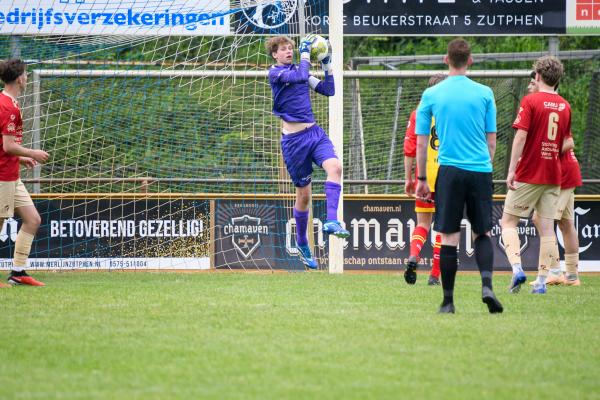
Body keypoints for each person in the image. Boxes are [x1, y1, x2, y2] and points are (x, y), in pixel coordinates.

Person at [415, 38, 502, 314]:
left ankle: (448, 301)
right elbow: (491, 141)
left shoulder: (431, 95)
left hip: (449, 172)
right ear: (470, 61)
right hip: (479, 170)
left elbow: (420, 142)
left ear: (446, 59)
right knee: (483, 232)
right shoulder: (486, 93)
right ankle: (487, 285)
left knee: (449, 236)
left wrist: (421, 180)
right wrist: (484, 166)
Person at [266, 35, 349, 269]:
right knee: (303, 196)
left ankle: (332, 221)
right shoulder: (276, 73)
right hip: (293, 142)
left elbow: (329, 89)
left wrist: (327, 64)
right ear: (274, 54)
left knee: (335, 167)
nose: (288, 51)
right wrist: (305, 54)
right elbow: (300, 75)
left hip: (314, 134)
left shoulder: (301, 72)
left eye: (291, 48)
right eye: (283, 49)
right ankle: (302, 243)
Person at [500, 56, 572, 295]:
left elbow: (520, 137)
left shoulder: (530, 100)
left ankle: (517, 269)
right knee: (548, 228)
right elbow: (565, 142)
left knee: (508, 221)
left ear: (538, 76)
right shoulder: (565, 105)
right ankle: (541, 281)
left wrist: (511, 170)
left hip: (529, 171)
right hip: (553, 174)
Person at [526, 73, 583, 287]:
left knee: (541, 220)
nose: (530, 86)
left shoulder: (555, 106)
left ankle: (555, 270)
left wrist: (545, 151)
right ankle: (572, 276)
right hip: (566, 171)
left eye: (533, 82)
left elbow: (570, 141)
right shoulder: (542, 106)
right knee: (566, 223)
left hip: (563, 172)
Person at [0, 58, 49, 286]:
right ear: (19, 78)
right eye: (26, 74)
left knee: (33, 219)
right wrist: (33, 152)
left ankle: (18, 272)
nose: (27, 78)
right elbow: (8, 146)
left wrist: (21, 158)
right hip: (2, 177)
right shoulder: (7, 107)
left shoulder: (9, 102)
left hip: (11, 174)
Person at [403, 74, 446, 286]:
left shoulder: (418, 114)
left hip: (424, 174)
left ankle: (414, 256)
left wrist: (408, 178)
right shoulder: (451, 113)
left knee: (422, 223)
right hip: (447, 173)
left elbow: (410, 150)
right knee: (443, 227)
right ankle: (435, 275)